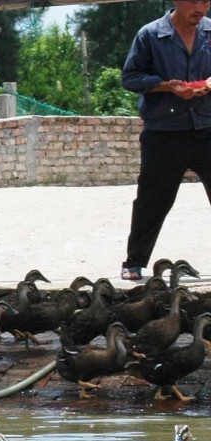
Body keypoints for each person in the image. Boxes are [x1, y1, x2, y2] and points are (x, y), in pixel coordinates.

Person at [121, 0, 211, 282]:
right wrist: (165, 86)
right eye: (195, 1)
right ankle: (134, 262)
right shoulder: (149, 35)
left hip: (208, 128)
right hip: (163, 133)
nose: (201, 8)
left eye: (206, 1)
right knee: (152, 200)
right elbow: (130, 77)